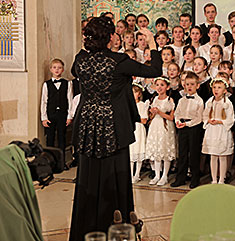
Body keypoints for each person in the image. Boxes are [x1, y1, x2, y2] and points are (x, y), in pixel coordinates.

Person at [69, 17, 161, 241]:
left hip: (88, 126)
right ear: (110, 37)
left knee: (87, 177)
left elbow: (75, 71)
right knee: (116, 175)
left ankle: (86, 228)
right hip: (113, 126)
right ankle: (118, 225)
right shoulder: (119, 62)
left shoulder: (80, 60)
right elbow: (155, 70)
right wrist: (152, 44)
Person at [171, 71, 205, 188]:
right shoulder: (182, 100)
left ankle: (195, 179)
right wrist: (178, 122)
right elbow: (177, 113)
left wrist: (187, 124)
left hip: (193, 128)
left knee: (194, 153)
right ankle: (181, 178)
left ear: (197, 85)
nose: (189, 87)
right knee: (182, 153)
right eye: (187, 84)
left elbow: (199, 118)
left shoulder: (199, 101)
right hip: (182, 128)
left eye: (192, 84)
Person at [202, 78, 235, 184]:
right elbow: (205, 114)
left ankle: (222, 178)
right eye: (214, 87)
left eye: (219, 88)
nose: (216, 90)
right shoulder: (209, 101)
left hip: (222, 130)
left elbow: (230, 118)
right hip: (212, 130)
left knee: (222, 156)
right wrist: (208, 120)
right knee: (213, 155)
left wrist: (220, 122)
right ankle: (214, 179)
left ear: (225, 90)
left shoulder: (228, 103)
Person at [41, 58, 73, 165]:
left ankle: (61, 162)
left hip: (63, 115)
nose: (57, 70)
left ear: (63, 70)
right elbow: (44, 101)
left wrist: (69, 116)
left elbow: (70, 100)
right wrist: (44, 118)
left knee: (61, 138)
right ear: (50, 69)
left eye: (59, 68)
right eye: (54, 68)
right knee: (49, 138)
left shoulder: (67, 84)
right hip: (51, 115)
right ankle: (49, 162)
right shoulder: (46, 84)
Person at [146, 77, 176, 186]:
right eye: (157, 85)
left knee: (165, 150)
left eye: (162, 85)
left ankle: (165, 176)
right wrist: (152, 113)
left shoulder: (170, 100)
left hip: (166, 126)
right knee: (157, 150)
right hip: (155, 126)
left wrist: (159, 112)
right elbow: (152, 116)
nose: (159, 87)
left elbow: (171, 117)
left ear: (167, 87)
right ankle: (157, 175)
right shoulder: (154, 99)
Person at [129, 84, 149, 184]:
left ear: (139, 93)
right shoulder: (127, 104)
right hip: (130, 128)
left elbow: (144, 120)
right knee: (131, 152)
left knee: (139, 150)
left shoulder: (142, 105)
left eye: (135, 92)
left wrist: (133, 119)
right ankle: (130, 173)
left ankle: (137, 174)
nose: (133, 94)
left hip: (139, 129)